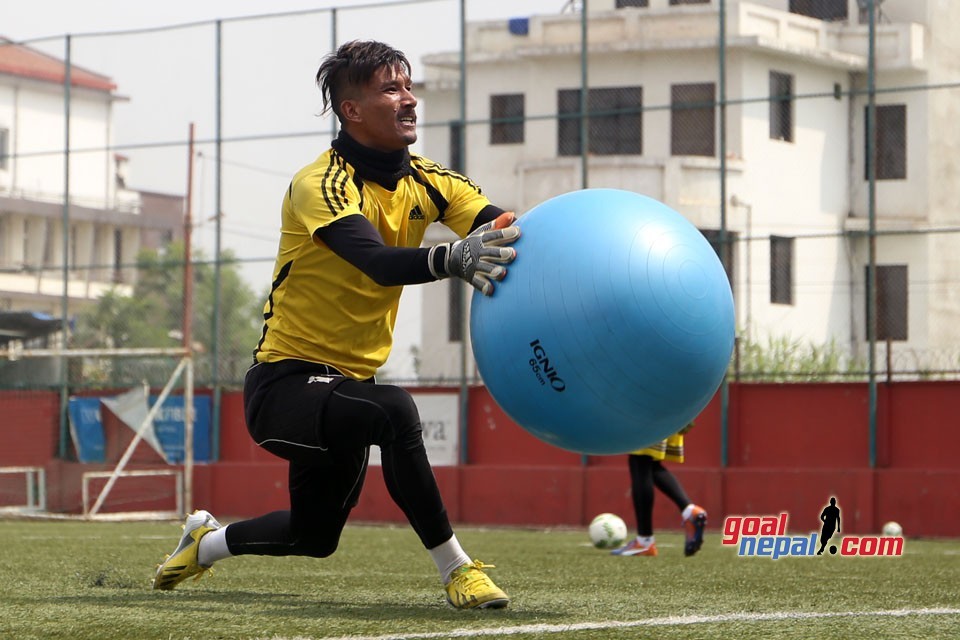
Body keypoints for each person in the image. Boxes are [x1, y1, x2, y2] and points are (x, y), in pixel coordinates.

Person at [152, 40, 520, 610]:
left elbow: (500, 226)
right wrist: (451, 258)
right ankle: (458, 570)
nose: (410, 100)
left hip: (348, 388)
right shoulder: (320, 183)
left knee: (313, 536)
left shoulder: (431, 180)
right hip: (284, 385)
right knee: (397, 412)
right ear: (351, 110)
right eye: (391, 89)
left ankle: (205, 543)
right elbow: (374, 262)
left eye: (408, 85)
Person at [611, 423, 707, 557]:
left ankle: (645, 541)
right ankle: (689, 511)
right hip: (669, 409)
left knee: (640, 460)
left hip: (651, 410)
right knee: (650, 463)